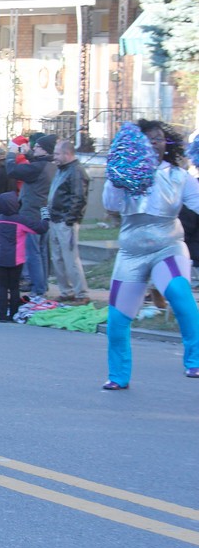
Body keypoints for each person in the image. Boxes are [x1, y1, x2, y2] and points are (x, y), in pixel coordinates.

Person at [101, 120, 199, 389]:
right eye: (147, 139)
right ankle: (119, 377)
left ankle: (195, 360)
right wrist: (116, 178)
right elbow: (110, 205)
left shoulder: (178, 176)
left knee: (178, 292)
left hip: (168, 246)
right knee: (118, 320)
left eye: (158, 139)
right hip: (131, 253)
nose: (153, 144)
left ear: (166, 144)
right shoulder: (124, 177)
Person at [5, 134, 57, 299]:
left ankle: (38, 289)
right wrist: (27, 154)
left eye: (38, 147)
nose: (34, 148)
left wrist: (12, 153)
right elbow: (35, 163)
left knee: (32, 252)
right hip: (43, 212)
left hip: (31, 213)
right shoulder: (50, 165)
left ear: (45, 150)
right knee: (41, 251)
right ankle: (42, 285)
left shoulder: (38, 167)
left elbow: (12, 170)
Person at [0, 192, 49, 322]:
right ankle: (13, 314)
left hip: (0, 256)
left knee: (3, 287)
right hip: (16, 258)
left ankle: (1, 314)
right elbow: (41, 228)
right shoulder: (21, 220)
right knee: (14, 286)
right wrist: (45, 215)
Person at [47, 140, 90, 304]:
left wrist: (69, 219)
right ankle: (66, 291)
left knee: (70, 258)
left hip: (66, 221)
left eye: (57, 153)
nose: (54, 157)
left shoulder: (76, 171)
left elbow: (79, 198)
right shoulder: (61, 170)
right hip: (55, 218)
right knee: (57, 257)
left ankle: (81, 293)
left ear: (67, 154)